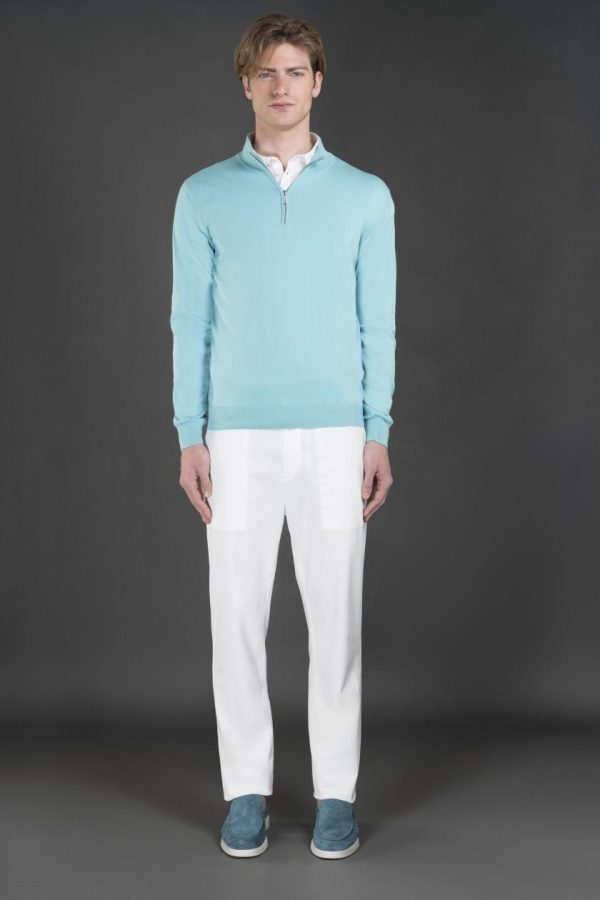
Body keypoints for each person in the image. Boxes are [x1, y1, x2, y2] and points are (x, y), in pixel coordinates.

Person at [170, 12, 396, 859]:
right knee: (235, 618)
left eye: (296, 71)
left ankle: (337, 792)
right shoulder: (203, 194)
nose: (281, 86)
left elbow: (379, 323)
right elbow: (189, 321)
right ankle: (245, 792)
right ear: (245, 83)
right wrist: (189, 433)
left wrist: (377, 431)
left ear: (317, 82)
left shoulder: (366, 195)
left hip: (337, 436)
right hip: (236, 439)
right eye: (266, 72)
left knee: (337, 622)